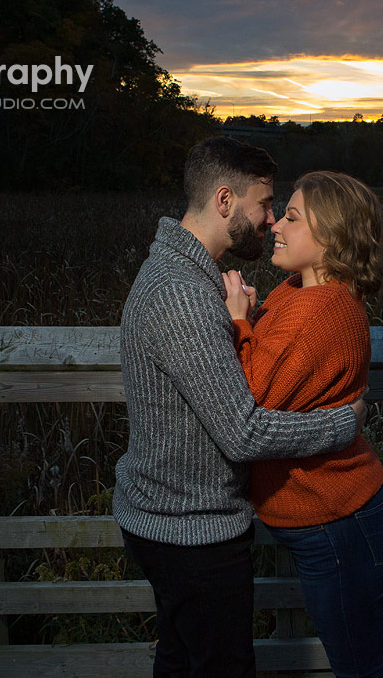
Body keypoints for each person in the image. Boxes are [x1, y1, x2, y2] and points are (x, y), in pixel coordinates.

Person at [114, 138, 368, 678]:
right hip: (191, 531)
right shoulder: (183, 295)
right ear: (225, 202)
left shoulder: (187, 279)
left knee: (182, 661)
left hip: (173, 520)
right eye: (264, 204)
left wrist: (238, 325)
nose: (269, 220)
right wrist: (342, 422)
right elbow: (243, 433)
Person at [223, 170, 383, 678]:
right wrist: (252, 321)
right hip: (325, 516)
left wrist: (238, 321)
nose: (275, 223)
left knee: (356, 665)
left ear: (332, 237)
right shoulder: (297, 290)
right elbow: (271, 365)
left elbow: (246, 401)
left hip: (340, 518)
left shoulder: (325, 310)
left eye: (293, 218)